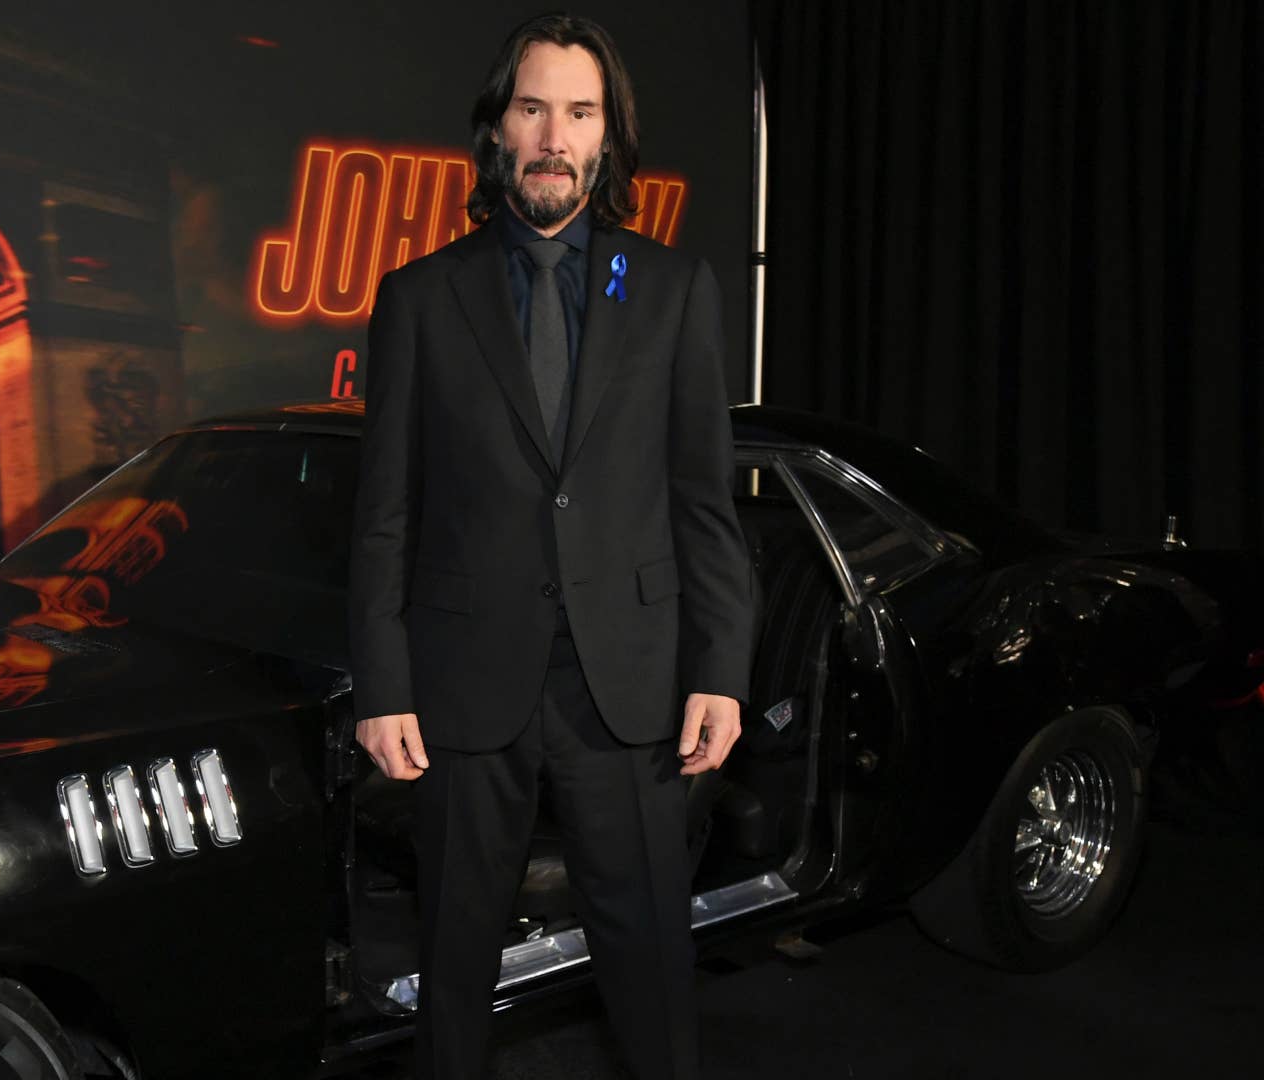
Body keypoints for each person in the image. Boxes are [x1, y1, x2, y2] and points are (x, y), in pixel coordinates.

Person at [346, 12, 755, 1079]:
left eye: (581, 112)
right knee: (455, 963)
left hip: (627, 682)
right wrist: (383, 685)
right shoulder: (420, 298)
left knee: (652, 960)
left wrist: (720, 668)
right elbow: (385, 511)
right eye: (533, 108)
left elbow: (703, 503)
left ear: (610, 139)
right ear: (497, 129)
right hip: (465, 682)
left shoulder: (670, 291)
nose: (554, 135)